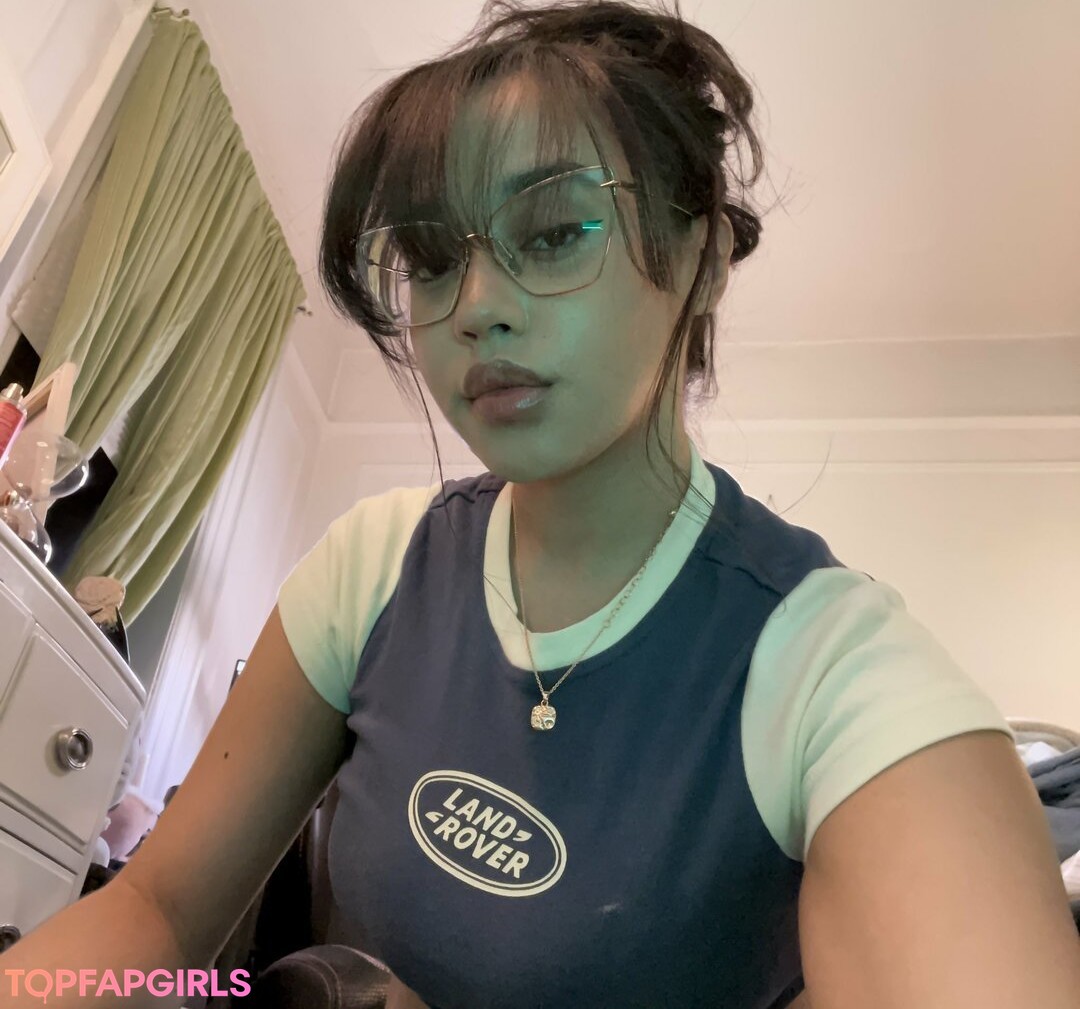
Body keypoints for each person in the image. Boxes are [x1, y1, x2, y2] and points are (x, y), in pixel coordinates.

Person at [4, 2, 1080, 1007]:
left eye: (555, 231)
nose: (476, 308)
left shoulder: (831, 668)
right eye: (432, 258)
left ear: (700, 256)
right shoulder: (375, 568)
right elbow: (158, 908)